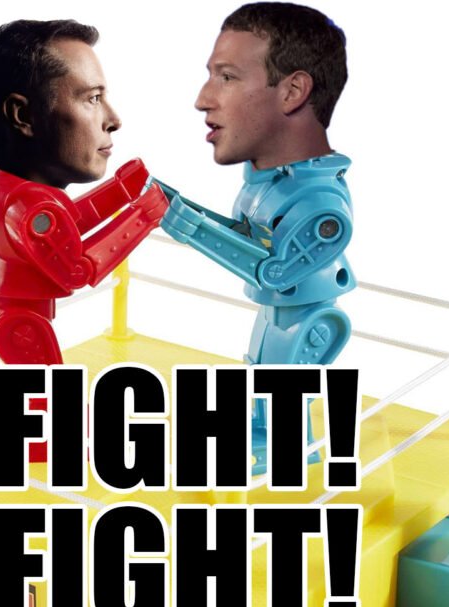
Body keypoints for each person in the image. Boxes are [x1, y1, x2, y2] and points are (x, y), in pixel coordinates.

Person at [156, 3, 354, 472]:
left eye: (227, 77)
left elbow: (274, 269)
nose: (203, 99)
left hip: (307, 316)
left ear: (293, 91)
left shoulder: (321, 206)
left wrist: (190, 227)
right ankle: (263, 438)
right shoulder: (272, 183)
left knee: (283, 387)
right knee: (259, 374)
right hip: (277, 311)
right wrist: (180, 208)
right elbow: (249, 238)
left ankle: (289, 455)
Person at [0, 19, 167, 365]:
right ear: (23, 115)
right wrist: (144, 216)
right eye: (92, 98)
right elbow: (75, 270)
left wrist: (121, 191)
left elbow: (66, 226)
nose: (114, 119)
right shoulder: (29, 208)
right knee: (54, 398)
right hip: (19, 321)